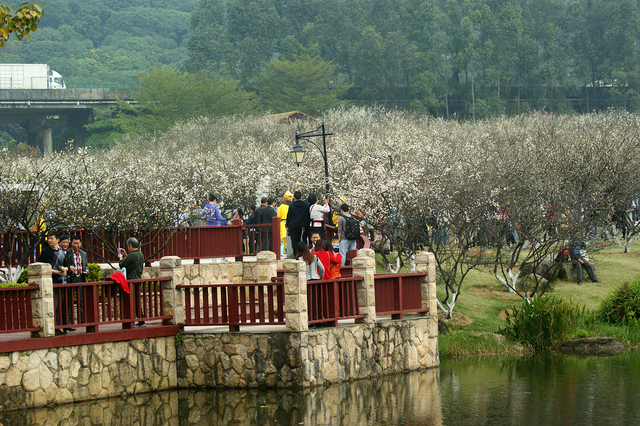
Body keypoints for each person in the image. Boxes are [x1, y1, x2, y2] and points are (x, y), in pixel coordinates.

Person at [37, 230, 69, 335]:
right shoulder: (46, 252)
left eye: (52, 238)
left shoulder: (62, 251)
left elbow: (66, 264)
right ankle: (55, 327)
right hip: (52, 282)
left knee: (62, 304)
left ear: (57, 240)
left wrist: (65, 269)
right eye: (48, 239)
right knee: (54, 305)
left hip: (62, 282)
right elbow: (44, 267)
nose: (50, 240)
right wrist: (58, 273)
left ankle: (63, 326)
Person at [118, 237, 146, 327]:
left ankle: (131, 321)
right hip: (138, 279)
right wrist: (126, 256)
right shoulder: (140, 254)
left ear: (130, 245)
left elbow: (122, 264)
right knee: (137, 301)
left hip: (131, 281)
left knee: (131, 301)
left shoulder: (132, 255)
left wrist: (121, 258)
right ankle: (141, 320)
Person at [67, 235, 88, 325]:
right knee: (69, 300)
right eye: (74, 243)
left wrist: (87, 270)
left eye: (78, 243)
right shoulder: (68, 253)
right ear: (71, 243)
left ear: (80, 244)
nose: (76, 245)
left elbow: (85, 264)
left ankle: (82, 319)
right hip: (71, 278)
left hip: (81, 278)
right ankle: (70, 320)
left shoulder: (83, 253)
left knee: (81, 300)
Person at [286, 191, 310, 258]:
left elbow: (289, 216)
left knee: (293, 240)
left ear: (294, 198)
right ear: (301, 197)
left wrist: (287, 225)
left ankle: (295, 254)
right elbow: (307, 216)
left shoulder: (291, 206)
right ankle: (300, 253)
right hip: (301, 225)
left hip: (292, 225)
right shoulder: (305, 205)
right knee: (299, 239)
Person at [277, 191, 293, 257]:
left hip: (283, 223)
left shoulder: (282, 206)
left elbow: (278, 216)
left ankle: (286, 250)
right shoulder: (293, 205)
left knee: (284, 238)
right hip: (291, 222)